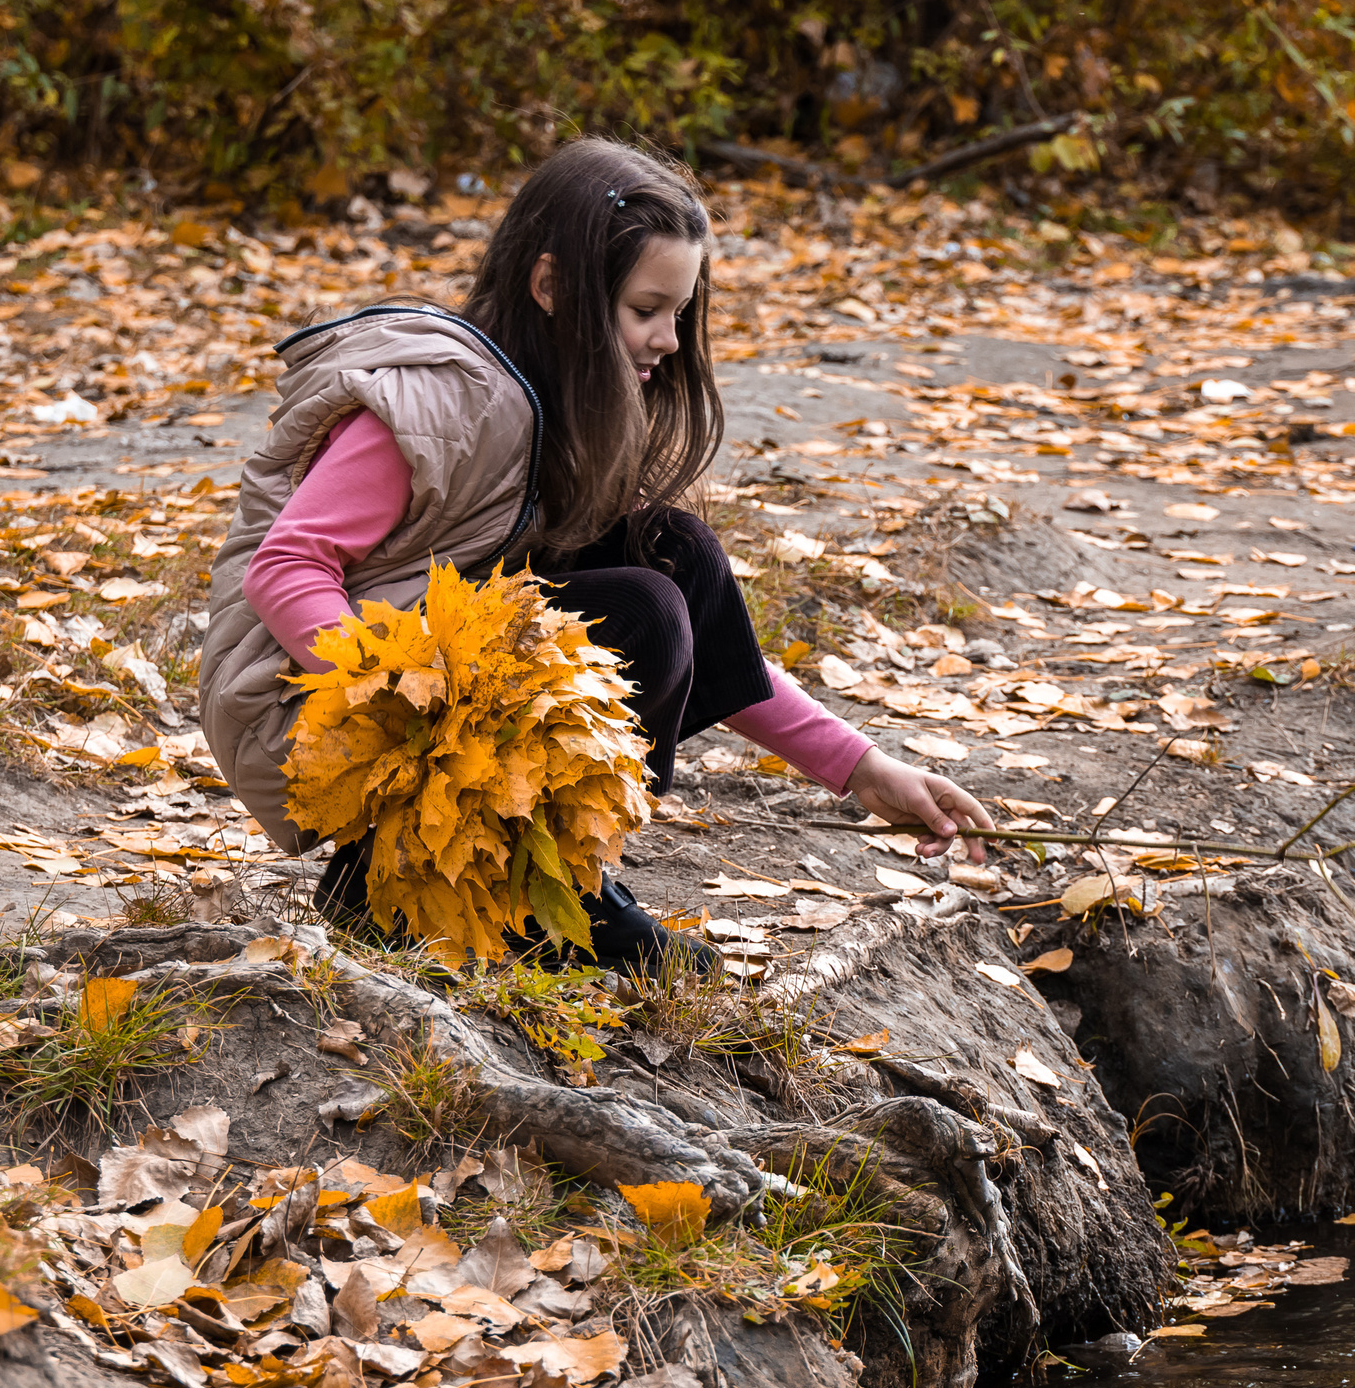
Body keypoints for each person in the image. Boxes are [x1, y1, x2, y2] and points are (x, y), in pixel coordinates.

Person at [199, 137, 996, 967]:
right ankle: (415, 882)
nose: (671, 339)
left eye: (680, 312)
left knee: (675, 553)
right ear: (551, 288)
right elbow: (286, 569)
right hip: (308, 704)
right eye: (646, 310)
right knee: (644, 613)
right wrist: (408, 702)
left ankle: (541, 874)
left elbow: (717, 642)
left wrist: (863, 770)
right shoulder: (441, 400)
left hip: (423, 674)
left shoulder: (554, 405)